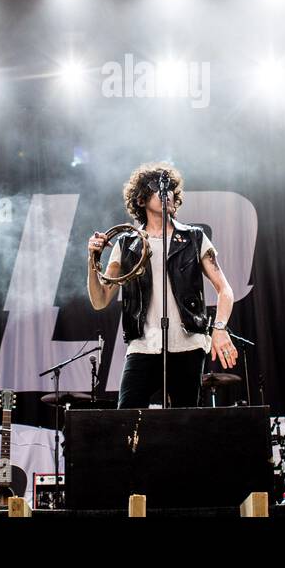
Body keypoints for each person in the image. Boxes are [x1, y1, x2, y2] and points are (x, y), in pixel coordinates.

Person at [86, 163, 236, 408]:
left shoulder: (193, 237)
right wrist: (92, 258)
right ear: (142, 199)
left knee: (185, 424)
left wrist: (219, 328)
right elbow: (100, 299)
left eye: (169, 188)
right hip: (144, 345)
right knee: (127, 418)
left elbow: (225, 289)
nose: (165, 192)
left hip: (187, 343)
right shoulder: (126, 244)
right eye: (157, 187)